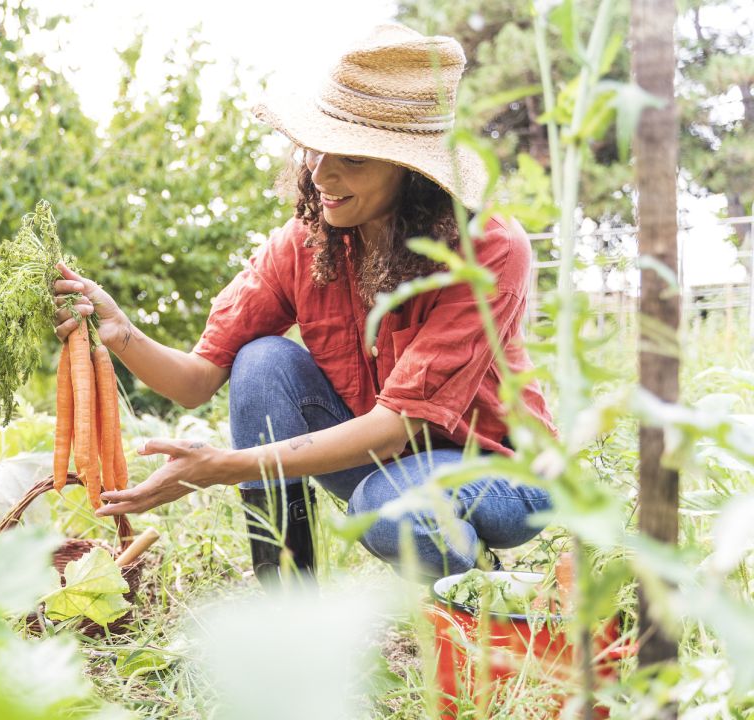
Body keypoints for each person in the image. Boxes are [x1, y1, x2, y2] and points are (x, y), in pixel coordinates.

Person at [51, 24, 557, 585]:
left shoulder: (486, 248)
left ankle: (487, 588)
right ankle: (286, 598)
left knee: (390, 512)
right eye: (316, 148)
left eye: (354, 159)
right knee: (262, 360)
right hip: (381, 465)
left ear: (413, 173)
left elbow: (395, 427)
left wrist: (223, 469)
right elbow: (195, 383)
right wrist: (118, 330)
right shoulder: (305, 242)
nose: (320, 173)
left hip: (498, 472)